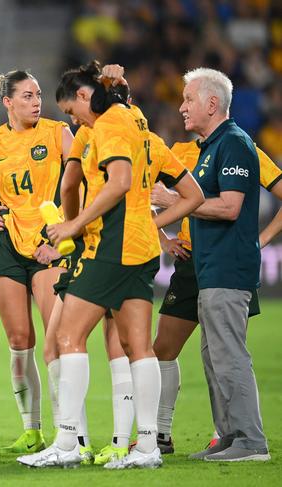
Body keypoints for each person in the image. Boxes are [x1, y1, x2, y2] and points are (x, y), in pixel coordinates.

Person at [17, 60, 203, 470]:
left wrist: (73, 226)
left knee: (67, 337)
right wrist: (152, 223)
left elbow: (118, 181)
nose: (73, 119)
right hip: (139, 250)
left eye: (71, 110)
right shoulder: (139, 123)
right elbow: (194, 194)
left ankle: (67, 443)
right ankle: (148, 446)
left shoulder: (109, 125)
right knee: (139, 347)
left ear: (85, 97)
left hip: (110, 246)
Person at [154, 67, 272, 462]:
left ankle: (251, 441)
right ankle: (229, 435)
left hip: (227, 267)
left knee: (229, 355)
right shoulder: (210, 147)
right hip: (208, 269)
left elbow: (230, 206)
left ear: (211, 103)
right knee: (214, 356)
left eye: (188, 99)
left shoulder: (235, 143)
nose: (182, 106)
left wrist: (175, 202)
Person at [0, 70, 73, 454]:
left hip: (48, 241)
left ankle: (68, 432)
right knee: (19, 340)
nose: (36, 101)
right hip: (7, 243)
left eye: (38, 94)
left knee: (56, 338)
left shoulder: (57, 133)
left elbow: (85, 177)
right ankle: (32, 429)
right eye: (27, 96)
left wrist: (68, 226)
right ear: (8, 102)